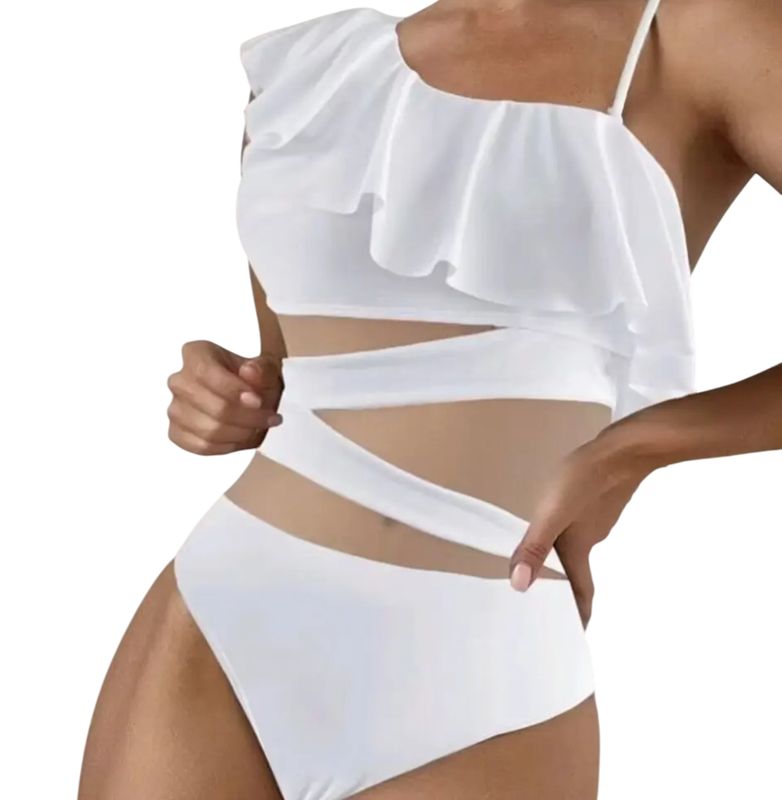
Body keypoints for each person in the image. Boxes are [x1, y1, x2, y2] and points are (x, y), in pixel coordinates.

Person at [77, 2, 782, 799]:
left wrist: (632, 448)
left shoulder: (696, 36)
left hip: (475, 664)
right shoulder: (312, 70)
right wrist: (225, 394)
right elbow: (288, 372)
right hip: (223, 615)